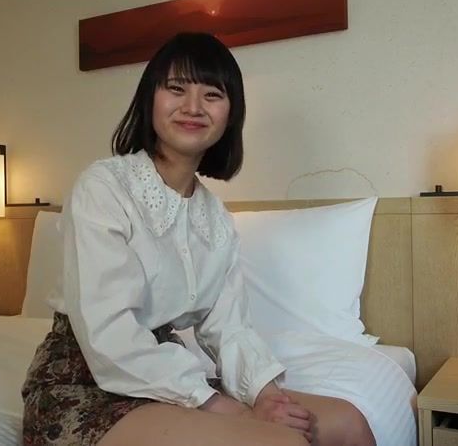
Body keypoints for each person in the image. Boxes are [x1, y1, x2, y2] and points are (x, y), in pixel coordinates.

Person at [22, 32, 377, 446]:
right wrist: (235, 411)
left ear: (230, 114)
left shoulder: (215, 219)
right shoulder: (103, 188)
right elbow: (109, 337)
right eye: (176, 89)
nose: (193, 107)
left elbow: (229, 328)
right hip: (86, 385)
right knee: (281, 442)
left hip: (168, 381)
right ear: (150, 99)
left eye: (212, 94)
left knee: (349, 423)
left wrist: (265, 397)